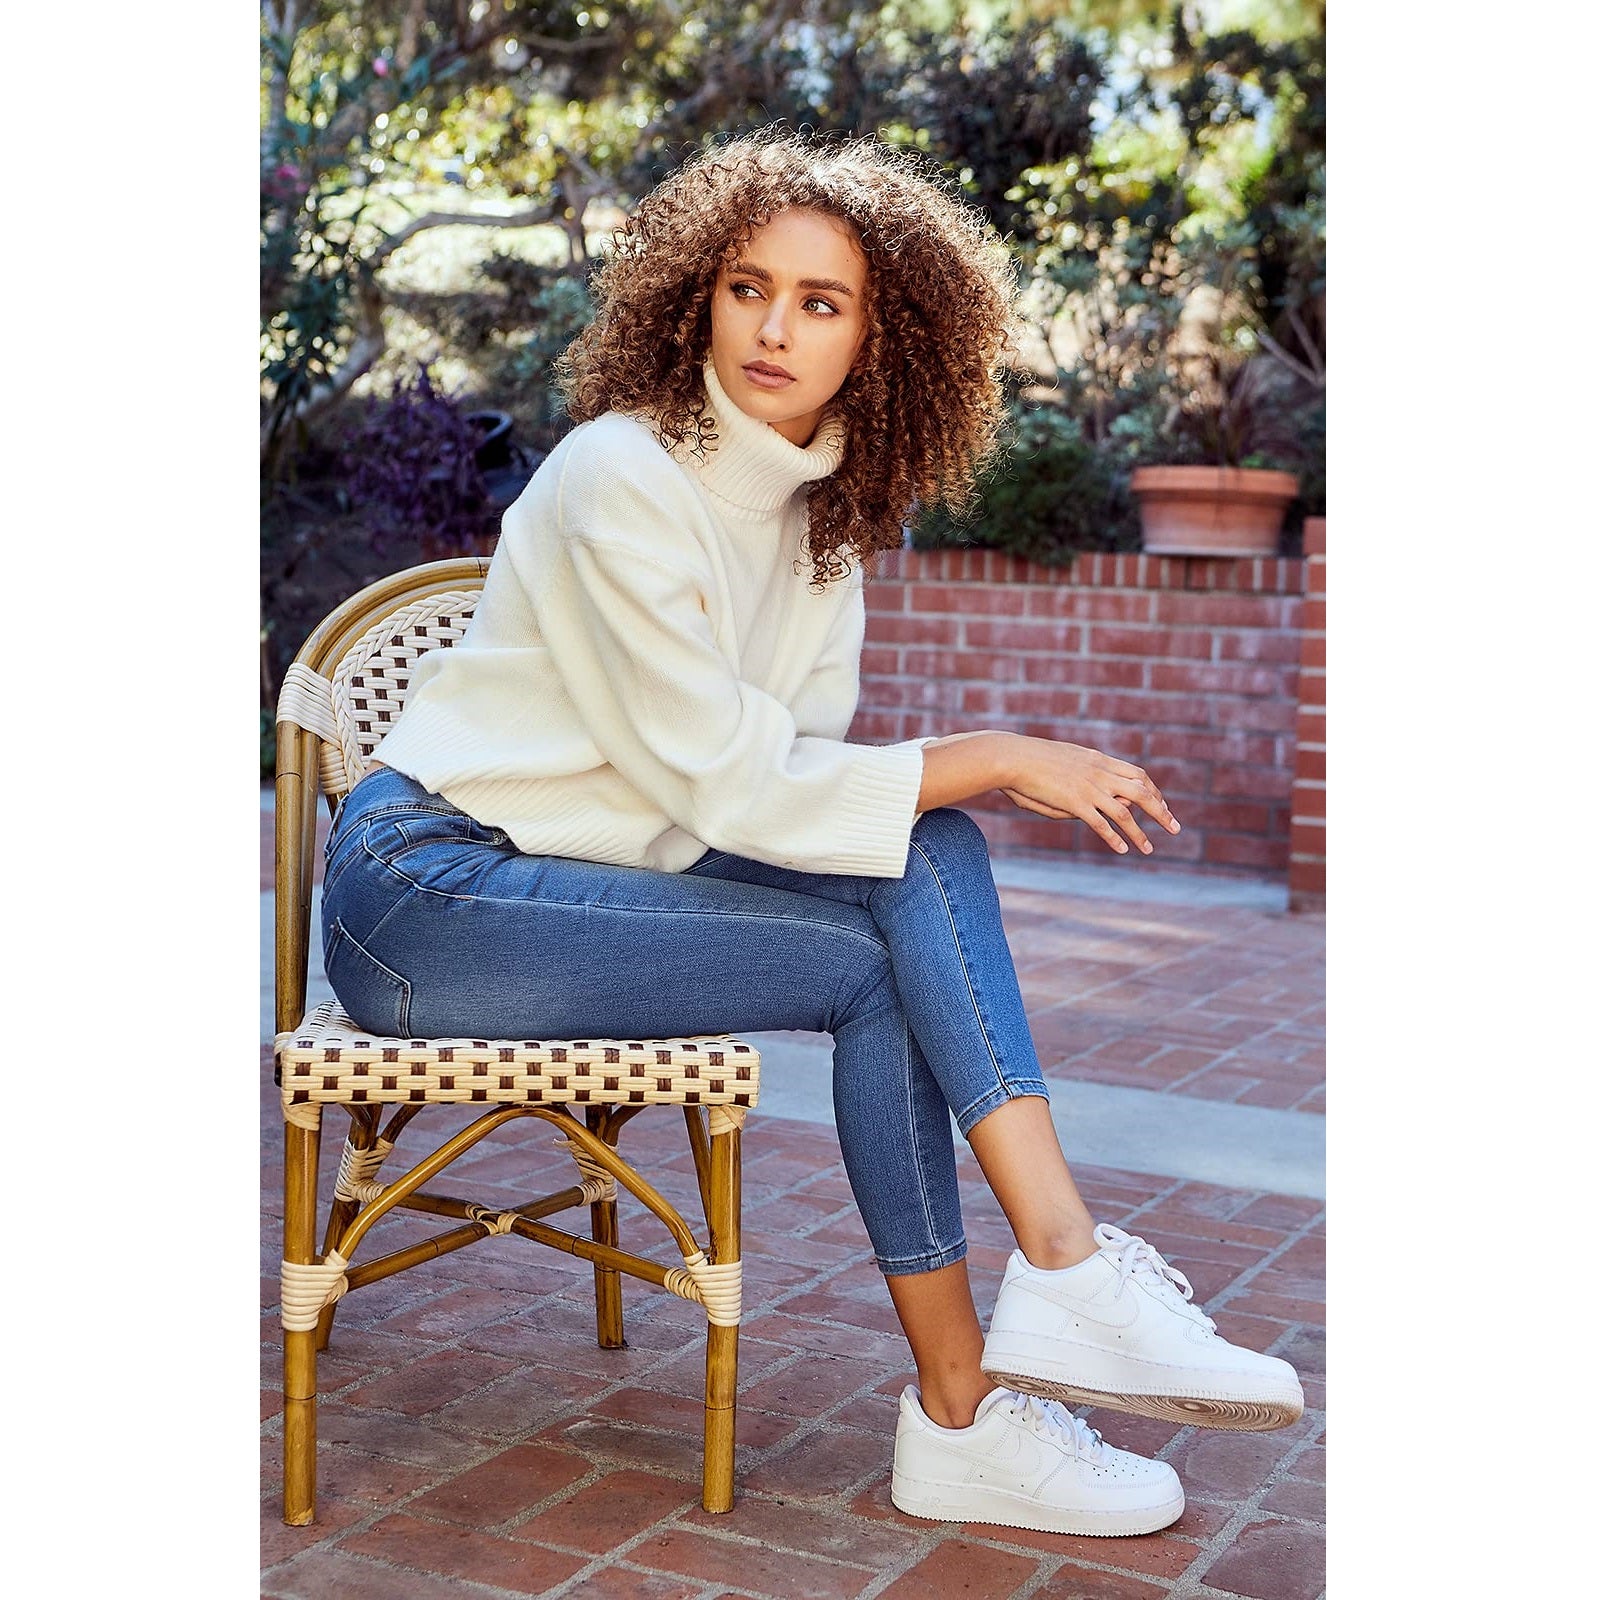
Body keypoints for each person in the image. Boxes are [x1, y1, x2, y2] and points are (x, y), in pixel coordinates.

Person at [320, 127, 1303, 1541]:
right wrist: (998, 754)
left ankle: (1045, 1306)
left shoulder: (823, 525)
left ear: (880, 340)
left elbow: (801, 788)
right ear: (693, 297)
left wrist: (948, 793)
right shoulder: (618, 478)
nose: (774, 327)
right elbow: (739, 790)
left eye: (821, 302)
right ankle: (998, 1360)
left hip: (585, 876)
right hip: (426, 901)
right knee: (900, 900)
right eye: (746, 286)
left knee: (929, 853)